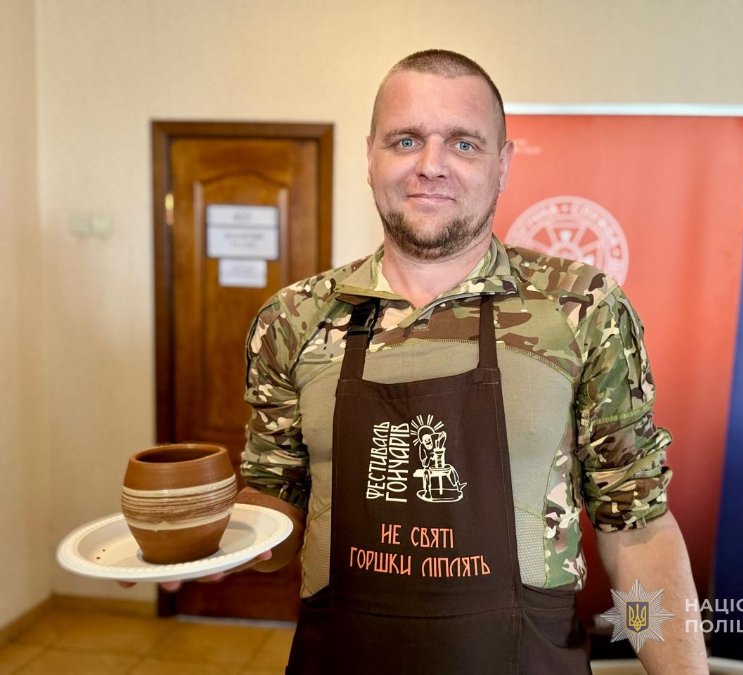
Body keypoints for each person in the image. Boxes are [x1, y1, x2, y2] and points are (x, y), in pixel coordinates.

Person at [192, 49, 705, 673]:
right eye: (405, 140)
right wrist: (210, 545)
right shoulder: (294, 319)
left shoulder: (581, 309)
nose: (431, 165)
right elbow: (278, 501)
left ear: (502, 164)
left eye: (463, 143)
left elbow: (637, 532)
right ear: (371, 156)